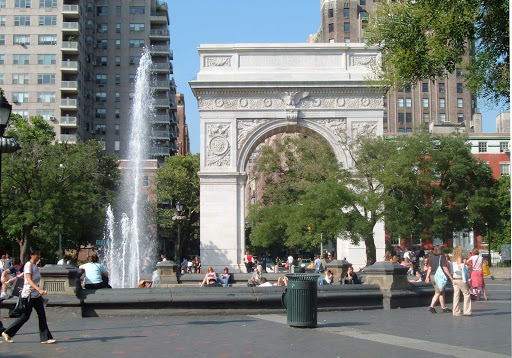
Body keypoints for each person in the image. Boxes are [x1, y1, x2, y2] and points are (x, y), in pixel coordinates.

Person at [2, 246, 55, 344]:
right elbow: (29, 280)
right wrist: (39, 289)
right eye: (37, 254)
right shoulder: (28, 265)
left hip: (35, 295)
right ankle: (7, 332)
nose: (39, 256)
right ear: (31, 255)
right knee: (25, 316)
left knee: (41, 315)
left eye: (39, 254)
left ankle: (45, 338)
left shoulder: (35, 265)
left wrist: (40, 296)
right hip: (28, 295)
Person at [425, 245, 453, 314]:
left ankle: (443, 307)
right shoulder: (442, 257)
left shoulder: (431, 257)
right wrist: (450, 276)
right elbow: (444, 267)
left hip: (432, 276)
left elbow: (430, 268)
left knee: (441, 291)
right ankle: (431, 306)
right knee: (438, 292)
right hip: (439, 277)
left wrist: (427, 277)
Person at [450, 246, 472, 316]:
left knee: (456, 295)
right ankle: (467, 311)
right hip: (460, 278)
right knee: (466, 294)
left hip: (454, 278)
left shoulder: (453, 258)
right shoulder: (459, 257)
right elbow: (460, 267)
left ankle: (456, 311)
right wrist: (464, 263)